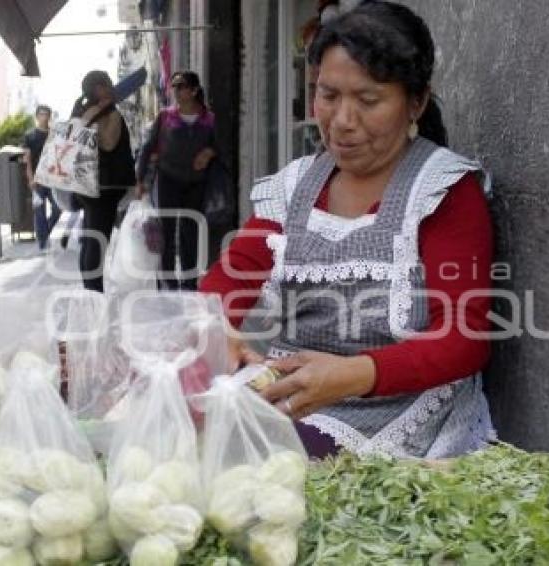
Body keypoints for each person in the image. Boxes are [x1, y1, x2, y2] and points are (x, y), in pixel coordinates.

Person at [199, 0, 495, 459]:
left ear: (415, 101)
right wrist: (218, 332)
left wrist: (354, 375)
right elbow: (228, 282)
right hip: (293, 392)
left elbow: (462, 337)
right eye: (328, 95)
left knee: (249, 463)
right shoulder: (294, 188)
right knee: (186, 430)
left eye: (368, 100)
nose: (342, 121)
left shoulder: (441, 191)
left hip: (396, 407)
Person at [136, 71, 216, 290]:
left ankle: (189, 282)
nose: (177, 91)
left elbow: (220, 146)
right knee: (166, 233)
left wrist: (209, 152)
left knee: (190, 233)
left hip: (196, 182)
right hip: (168, 179)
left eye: (182, 87)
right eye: (175, 87)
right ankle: (168, 282)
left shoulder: (209, 118)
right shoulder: (165, 116)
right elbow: (148, 148)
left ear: (194, 90)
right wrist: (140, 180)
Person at [70, 71, 136, 292]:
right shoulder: (107, 112)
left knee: (90, 239)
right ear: (98, 88)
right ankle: (95, 294)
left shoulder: (80, 110)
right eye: (106, 84)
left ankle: (89, 290)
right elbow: (107, 144)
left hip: (84, 184)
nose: (110, 87)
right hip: (104, 185)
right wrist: (107, 112)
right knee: (98, 241)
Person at [22, 105, 61, 250]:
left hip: (53, 179)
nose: (45, 117)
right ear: (37, 116)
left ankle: (44, 234)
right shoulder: (30, 135)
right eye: (42, 114)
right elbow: (28, 159)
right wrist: (30, 178)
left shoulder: (54, 135)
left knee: (58, 208)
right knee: (39, 212)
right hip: (38, 179)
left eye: (47, 114)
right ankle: (43, 243)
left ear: (50, 117)